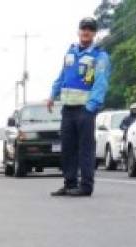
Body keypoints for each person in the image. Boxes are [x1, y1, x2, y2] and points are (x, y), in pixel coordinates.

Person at [47, 16, 111, 197]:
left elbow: (101, 83)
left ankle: (86, 186)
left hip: (85, 110)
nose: (86, 32)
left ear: (94, 33)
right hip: (68, 109)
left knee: (85, 149)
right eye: (84, 28)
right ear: (78, 31)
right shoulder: (71, 53)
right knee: (67, 148)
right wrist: (53, 95)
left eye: (90, 29)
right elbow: (62, 77)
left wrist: (91, 107)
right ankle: (69, 183)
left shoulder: (99, 56)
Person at [119, 102, 136, 166]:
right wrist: (125, 128)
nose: (135, 111)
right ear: (131, 110)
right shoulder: (127, 118)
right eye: (134, 109)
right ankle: (124, 160)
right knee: (123, 148)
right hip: (127, 137)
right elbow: (121, 125)